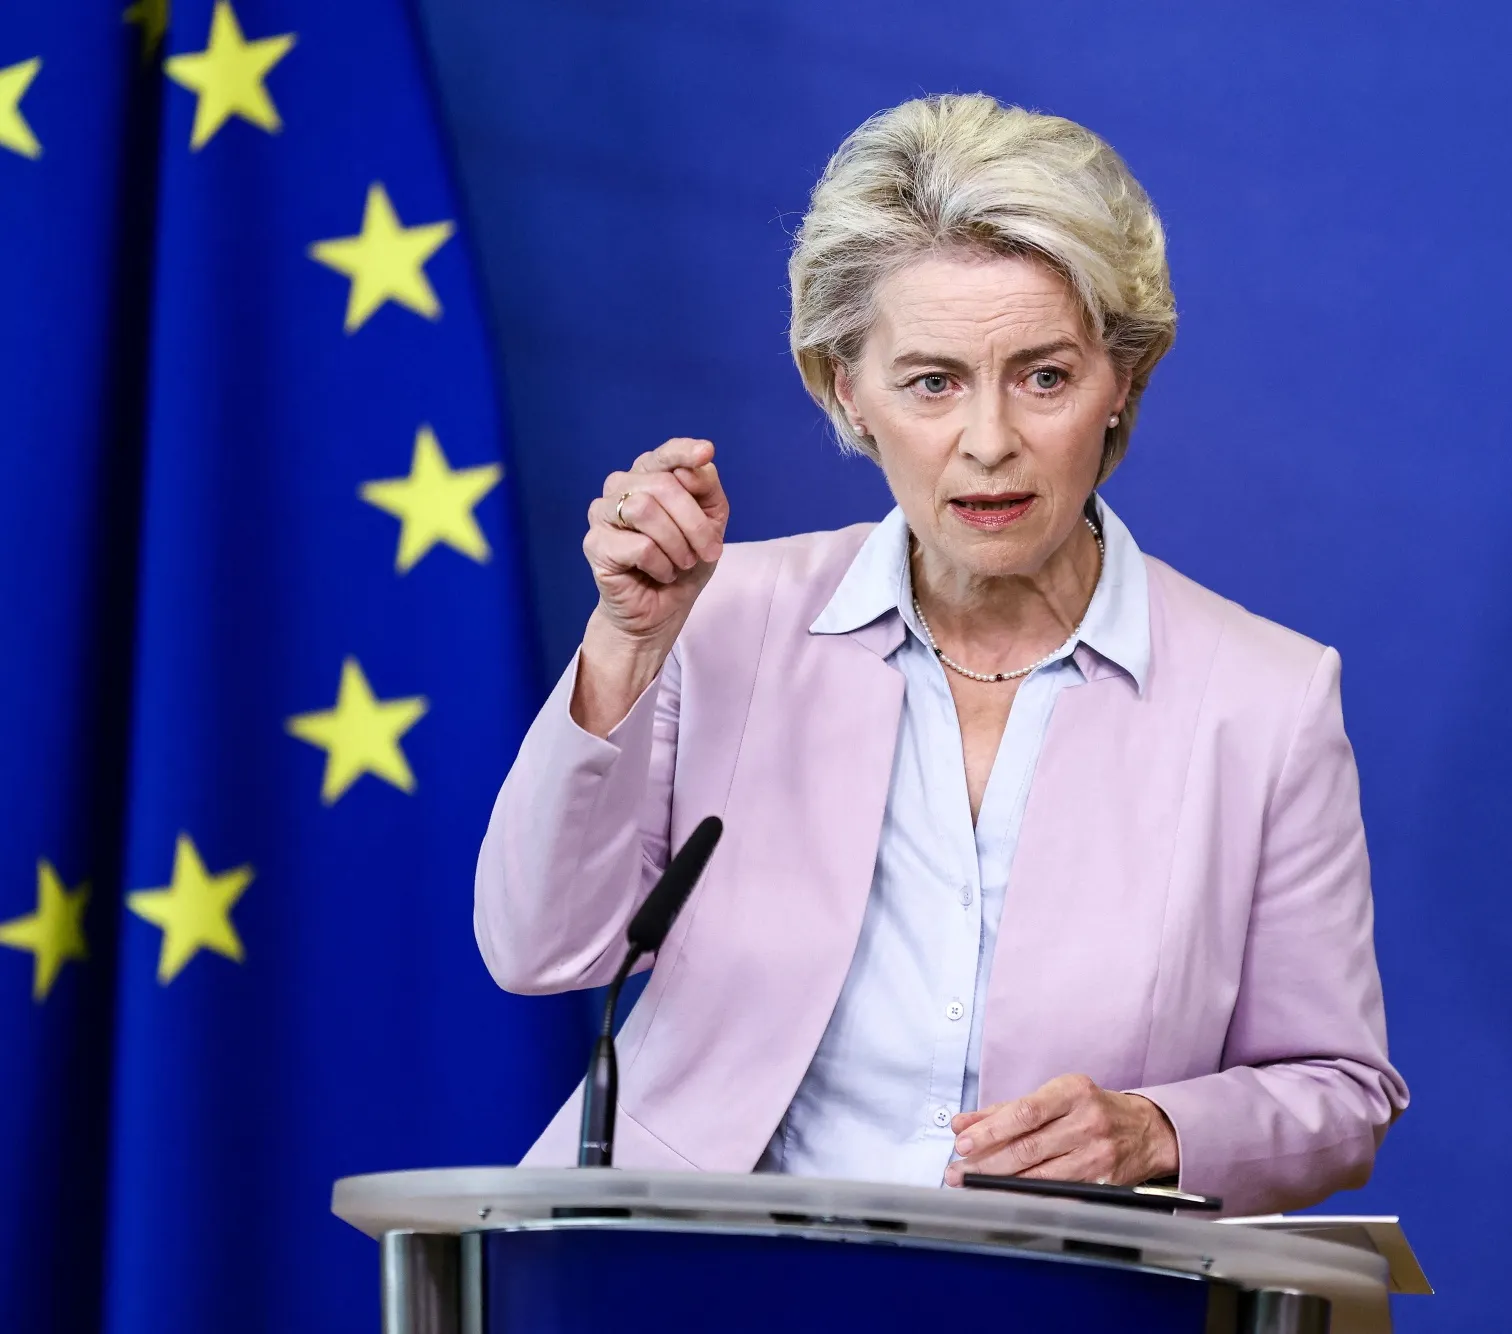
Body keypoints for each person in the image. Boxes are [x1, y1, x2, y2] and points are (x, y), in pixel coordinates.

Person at [475, 92, 1408, 1216]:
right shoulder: (716, 617)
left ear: (1123, 384)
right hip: (698, 1270)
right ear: (845, 390)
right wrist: (626, 642)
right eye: (932, 381)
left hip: (1060, 1292)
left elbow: (1339, 1095)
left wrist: (1156, 1128)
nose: (989, 440)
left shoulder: (1263, 698)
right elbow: (538, 945)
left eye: (1045, 375)